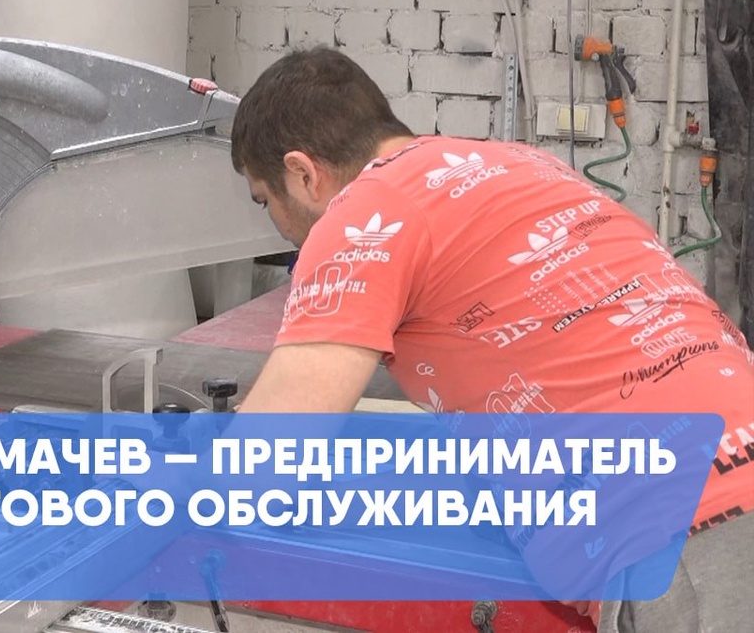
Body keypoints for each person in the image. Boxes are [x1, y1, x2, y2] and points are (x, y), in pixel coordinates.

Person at [227, 46, 754, 633]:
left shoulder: (364, 211)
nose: (276, 222)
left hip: (693, 525)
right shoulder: (522, 164)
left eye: (264, 200)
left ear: (302, 173)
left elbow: (265, 461)